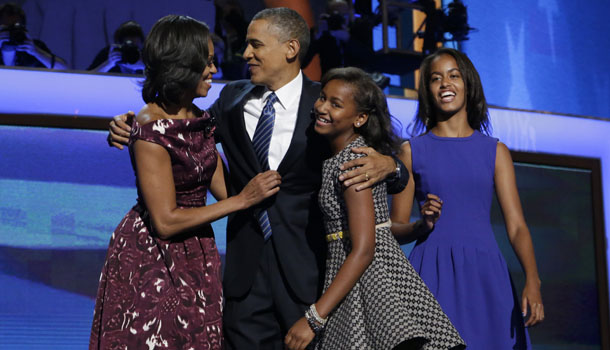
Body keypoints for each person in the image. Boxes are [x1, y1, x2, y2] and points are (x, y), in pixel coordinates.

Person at [106, 7, 407, 349]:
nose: (245, 53)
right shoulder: (232, 99)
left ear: (290, 49)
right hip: (243, 277)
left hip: (306, 273)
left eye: (256, 45)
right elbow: (178, 132)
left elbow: (384, 156)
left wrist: (391, 166)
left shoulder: (326, 104)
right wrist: (127, 125)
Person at [89, 15, 281, 349]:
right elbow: (164, 221)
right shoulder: (149, 131)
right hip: (153, 258)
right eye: (206, 62)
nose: (214, 70)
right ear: (182, 65)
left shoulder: (200, 118)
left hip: (197, 253)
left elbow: (224, 188)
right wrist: (243, 201)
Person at [283, 67, 465, 350]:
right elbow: (376, 229)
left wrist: (314, 317)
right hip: (355, 272)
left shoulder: (355, 162)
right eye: (322, 98)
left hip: (370, 281)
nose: (321, 107)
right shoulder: (344, 156)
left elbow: (365, 248)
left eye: (336, 104)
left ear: (360, 118)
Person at [388, 47, 544, 349]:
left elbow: (517, 227)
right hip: (431, 275)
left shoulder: (495, 152)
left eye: (453, 75)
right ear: (428, 91)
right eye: (435, 79)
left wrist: (533, 280)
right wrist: (423, 225)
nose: (445, 84)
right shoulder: (411, 151)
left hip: (486, 275)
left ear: (468, 84)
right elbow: (394, 228)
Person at [0, 3, 68, 69]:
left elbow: (63, 69)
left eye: (15, 27)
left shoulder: (32, 47)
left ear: (24, 28)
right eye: (5, 28)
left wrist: (36, 52)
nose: (10, 32)